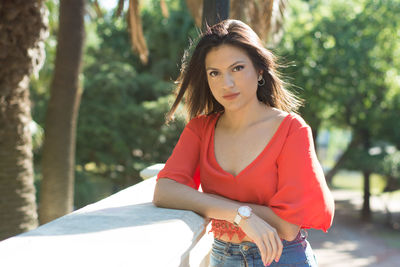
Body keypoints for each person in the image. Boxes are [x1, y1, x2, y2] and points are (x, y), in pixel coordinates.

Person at [153, 19, 334, 267]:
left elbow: (287, 226)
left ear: (259, 70)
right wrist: (239, 215)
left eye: (237, 68)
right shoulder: (200, 129)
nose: (226, 84)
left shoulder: (291, 129)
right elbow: (165, 191)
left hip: (283, 258)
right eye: (214, 73)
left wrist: (227, 210)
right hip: (222, 257)